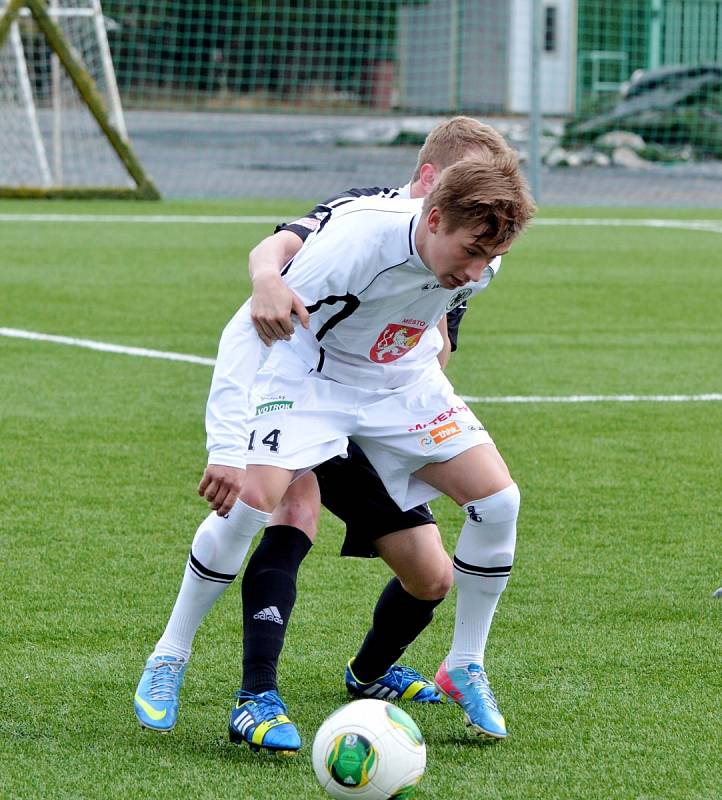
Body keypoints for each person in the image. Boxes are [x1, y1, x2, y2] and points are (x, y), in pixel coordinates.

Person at [133, 121, 523, 751]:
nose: (477, 269)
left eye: (487, 258)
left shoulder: (486, 245)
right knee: (252, 504)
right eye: (468, 253)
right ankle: (170, 655)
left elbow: (429, 321)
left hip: (401, 385)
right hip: (312, 377)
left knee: (499, 502)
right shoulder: (358, 237)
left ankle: (464, 663)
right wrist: (228, 447)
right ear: (431, 212)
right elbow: (247, 328)